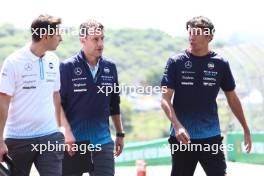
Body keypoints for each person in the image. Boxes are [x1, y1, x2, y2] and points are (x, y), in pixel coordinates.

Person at [161, 16, 252, 176]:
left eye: (197, 32)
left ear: (209, 37)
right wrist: (177, 125)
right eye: (190, 32)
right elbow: (164, 99)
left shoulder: (221, 63)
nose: (192, 36)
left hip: (211, 136)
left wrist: (245, 129)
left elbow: (232, 98)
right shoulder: (175, 62)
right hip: (182, 138)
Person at [0, 14, 64, 176]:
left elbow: (55, 94)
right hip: (18, 139)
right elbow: (3, 102)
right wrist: (0, 140)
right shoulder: (14, 62)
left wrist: (59, 128)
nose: (61, 38)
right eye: (57, 34)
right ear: (45, 36)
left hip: (50, 136)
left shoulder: (54, 60)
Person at [60, 19, 124, 176]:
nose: (100, 43)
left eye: (102, 38)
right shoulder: (67, 67)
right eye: (95, 39)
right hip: (74, 143)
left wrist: (120, 134)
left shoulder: (110, 67)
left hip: (103, 143)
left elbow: (114, 104)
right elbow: (57, 104)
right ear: (83, 40)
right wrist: (67, 134)